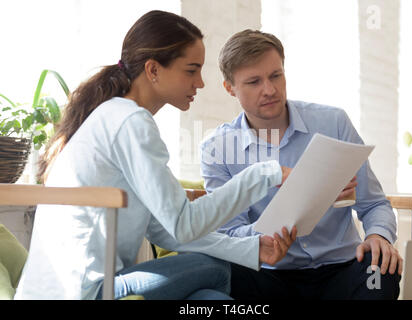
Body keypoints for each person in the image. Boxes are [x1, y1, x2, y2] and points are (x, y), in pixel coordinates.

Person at [14, 12, 297, 300]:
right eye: (191, 70)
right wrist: (266, 174)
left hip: (92, 286)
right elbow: (184, 224)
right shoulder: (129, 121)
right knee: (217, 269)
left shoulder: (117, 116)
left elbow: (163, 230)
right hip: (85, 292)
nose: (199, 83)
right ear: (153, 70)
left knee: (212, 299)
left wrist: (251, 249)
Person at [200, 29, 403, 300]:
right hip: (269, 276)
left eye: (276, 75)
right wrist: (265, 235)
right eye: (253, 82)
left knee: (381, 272)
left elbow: (374, 204)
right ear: (230, 88)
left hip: (341, 268)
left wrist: (378, 236)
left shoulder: (333, 123)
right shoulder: (218, 148)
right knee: (222, 274)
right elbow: (227, 234)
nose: (269, 90)